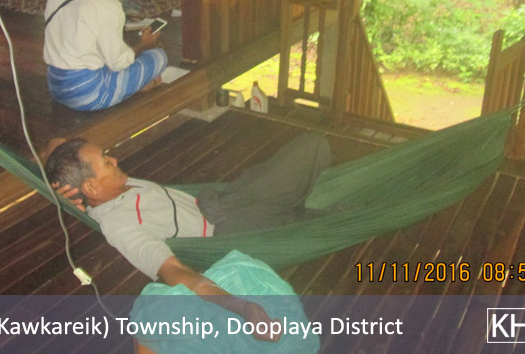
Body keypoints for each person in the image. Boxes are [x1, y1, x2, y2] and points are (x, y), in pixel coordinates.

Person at [44, 132, 335, 341]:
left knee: (311, 147)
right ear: (91, 188)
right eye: (106, 161)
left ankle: (296, 211)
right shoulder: (120, 225)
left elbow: (57, 144)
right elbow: (175, 272)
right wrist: (243, 307)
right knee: (313, 155)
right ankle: (301, 216)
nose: (114, 159)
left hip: (224, 201)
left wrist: (53, 181)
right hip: (231, 230)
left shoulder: (106, 186)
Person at [43, 0, 167, 111]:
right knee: (158, 56)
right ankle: (135, 87)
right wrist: (143, 45)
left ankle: (134, 85)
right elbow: (119, 63)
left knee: (106, 57)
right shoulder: (107, 4)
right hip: (88, 94)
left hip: (56, 86)